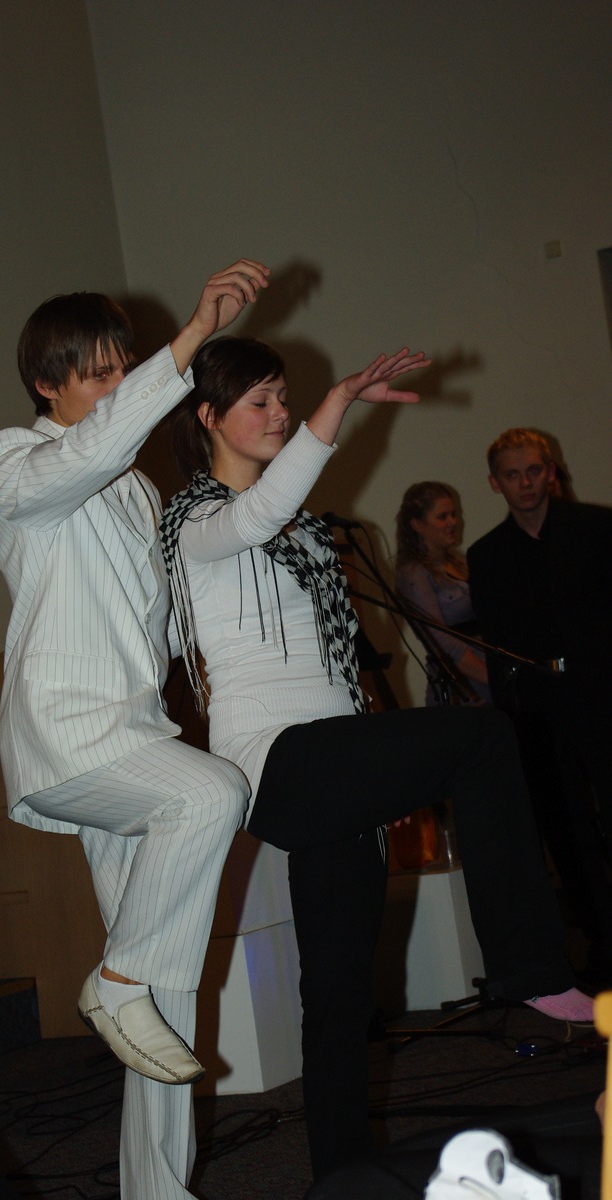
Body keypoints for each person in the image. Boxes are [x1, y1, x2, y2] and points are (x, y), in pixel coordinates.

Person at [159, 338, 593, 1188]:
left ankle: (340, 1177)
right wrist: (339, 403)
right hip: (276, 764)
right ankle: (528, 966)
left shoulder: (299, 529)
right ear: (207, 417)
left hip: (331, 759)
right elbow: (255, 515)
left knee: (339, 991)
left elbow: (330, 655)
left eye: (285, 398)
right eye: (259, 402)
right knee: (483, 738)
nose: (279, 413)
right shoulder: (197, 522)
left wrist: (380, 766)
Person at [0, 259, 269, 1200]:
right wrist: (191, 338)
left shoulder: (137, 492)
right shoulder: (11, 461)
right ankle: (115, 980)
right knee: (211, 796)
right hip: (67, 738)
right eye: (97, 373)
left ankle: (156, 1189)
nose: (115, 386)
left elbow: (159, 621)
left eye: (122, 368)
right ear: (45, 384)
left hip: (136, 737)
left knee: (163, 997)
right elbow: (85, 456)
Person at [467, 428, 612, 987]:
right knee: (566, 829)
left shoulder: (598, 528)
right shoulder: (487, 556)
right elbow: (498, 650)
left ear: (550, 472)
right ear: (495, 483)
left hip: (604, 696)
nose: (525, 483)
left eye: (533, 471)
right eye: (512, 474)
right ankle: (601, 940)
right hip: (540, 713)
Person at [395, 481, 490, 706]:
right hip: (462, 689)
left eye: (454, 514)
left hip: (485, 675)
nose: (452, 522)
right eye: (442, 517)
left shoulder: (459, 564)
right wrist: (492, 678)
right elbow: (441, 642)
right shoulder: (414, 574)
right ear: (417, 524)